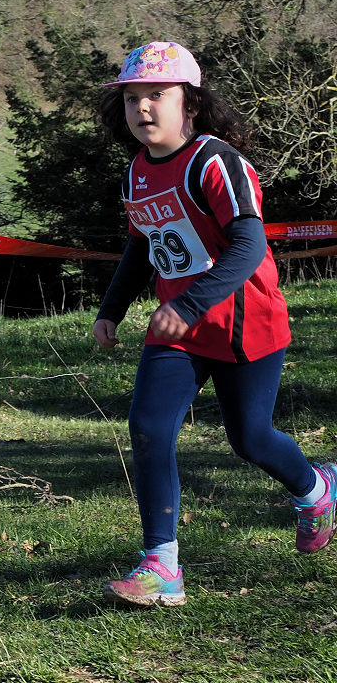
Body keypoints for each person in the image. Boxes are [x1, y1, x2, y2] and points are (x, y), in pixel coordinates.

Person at [93, 40, 336, 607]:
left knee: (250, 439)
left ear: (192, 103)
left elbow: (249, 247)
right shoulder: (136, 174)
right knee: (149, 429)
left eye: (157, 94)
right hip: (178, 333)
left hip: (244, 323)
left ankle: (316, 490)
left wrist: (187, 305)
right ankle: (162, 565)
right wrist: (111, 309)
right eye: (131, 98)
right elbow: (142, 246)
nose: (142, 107)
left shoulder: (215, 162)